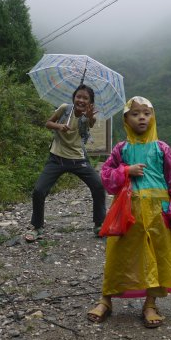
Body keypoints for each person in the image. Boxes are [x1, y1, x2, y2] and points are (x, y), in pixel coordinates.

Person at [87, 96, 171, 327]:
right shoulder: (121, 149)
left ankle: (150, 304)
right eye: (135, 113)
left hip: (159, 213)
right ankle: (106, 299)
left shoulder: (162, 148)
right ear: (126, 119)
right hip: (127, 211)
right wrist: (125, 170)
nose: (141, 117)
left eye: (146, 112)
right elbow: (106, 177)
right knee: (118, 255)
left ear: (153, 117)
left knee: (157, 256)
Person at [26, 84, 107, 242]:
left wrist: (90, 116)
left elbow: (90, 123)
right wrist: (59, 126)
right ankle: (37, 227)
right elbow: (48, 122)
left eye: (85, 98)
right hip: (57, 157)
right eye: (79, 96)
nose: (81, 100)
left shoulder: (89, 116)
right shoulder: (64, 109)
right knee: (39, 190)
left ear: (90, 102)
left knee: (98, 186)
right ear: (74, 97)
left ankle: (99, 224)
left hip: (78, 158)